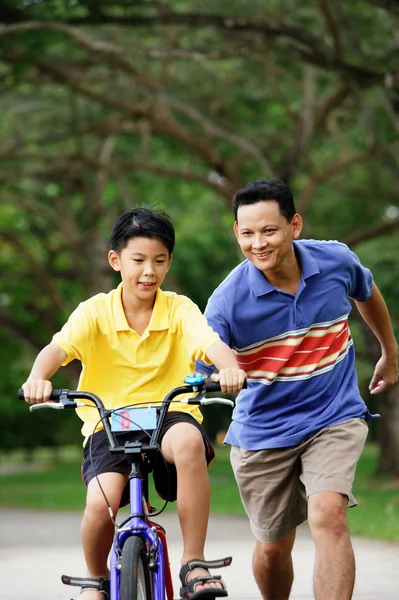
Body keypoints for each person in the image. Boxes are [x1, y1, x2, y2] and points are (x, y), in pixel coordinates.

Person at [22, 207, 247, 600]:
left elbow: (211, 344)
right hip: (109, 422)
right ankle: (96, 580)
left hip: (169, 415)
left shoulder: (179, 309)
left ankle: (194, 561)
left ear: (169, 263)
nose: (149, 271)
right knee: (99, 504)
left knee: (191, 445)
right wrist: (38, 378)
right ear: (115, 260)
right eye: (138, 260)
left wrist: (230, 369)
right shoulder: (94, 312)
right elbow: (56, 350)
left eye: (159, 261)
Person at [196, 178, 398, 600]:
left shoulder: (336, 261)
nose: (258, 243)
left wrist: (390, 351)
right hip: (264, 431)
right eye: (247, 233)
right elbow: (201, 364)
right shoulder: (227, 302)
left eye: (269, 230)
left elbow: (367, 292)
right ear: (236, 233)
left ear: (295, 225)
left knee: (329, 515)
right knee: (273, 549)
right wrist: (222, 372)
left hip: (334, 415)